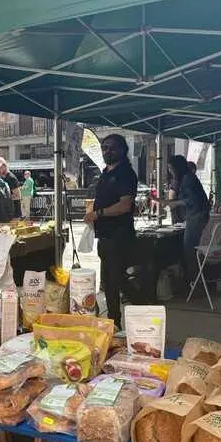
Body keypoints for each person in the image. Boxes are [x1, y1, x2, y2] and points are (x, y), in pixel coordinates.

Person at [83, 134, 138, 327]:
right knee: (109, 281)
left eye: (111, 147)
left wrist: (98, 213)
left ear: (122, 150)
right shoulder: (105, 172)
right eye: (104, 147)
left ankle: (145, 309)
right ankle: (114, 321)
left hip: (120, 235)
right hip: (105, 236)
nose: (107, 151)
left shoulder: (126, 174)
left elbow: (125, 205)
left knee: (118, 280)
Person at [165, 155, 210, 285]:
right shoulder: (188, 178)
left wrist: (175, 203)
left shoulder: (187, 179)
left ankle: (195, 281)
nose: (170, 171)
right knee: (190, 248)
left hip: (196, 216)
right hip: (196, 215)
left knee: (190, 249)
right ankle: (195, 279)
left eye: (170, 168)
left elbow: (191, 200)